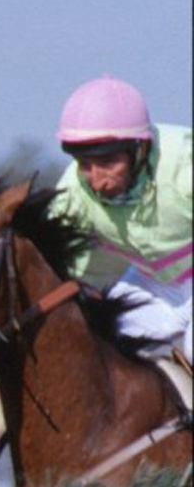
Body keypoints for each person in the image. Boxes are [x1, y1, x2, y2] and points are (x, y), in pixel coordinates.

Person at [49, 76, 192, 412]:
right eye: (85, 164)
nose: (96, 179)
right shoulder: (71, 191)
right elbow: (57, 271)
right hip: (154, 281)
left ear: (139, 149)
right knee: (104, 340)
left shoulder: (185, 166)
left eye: (108, 162)